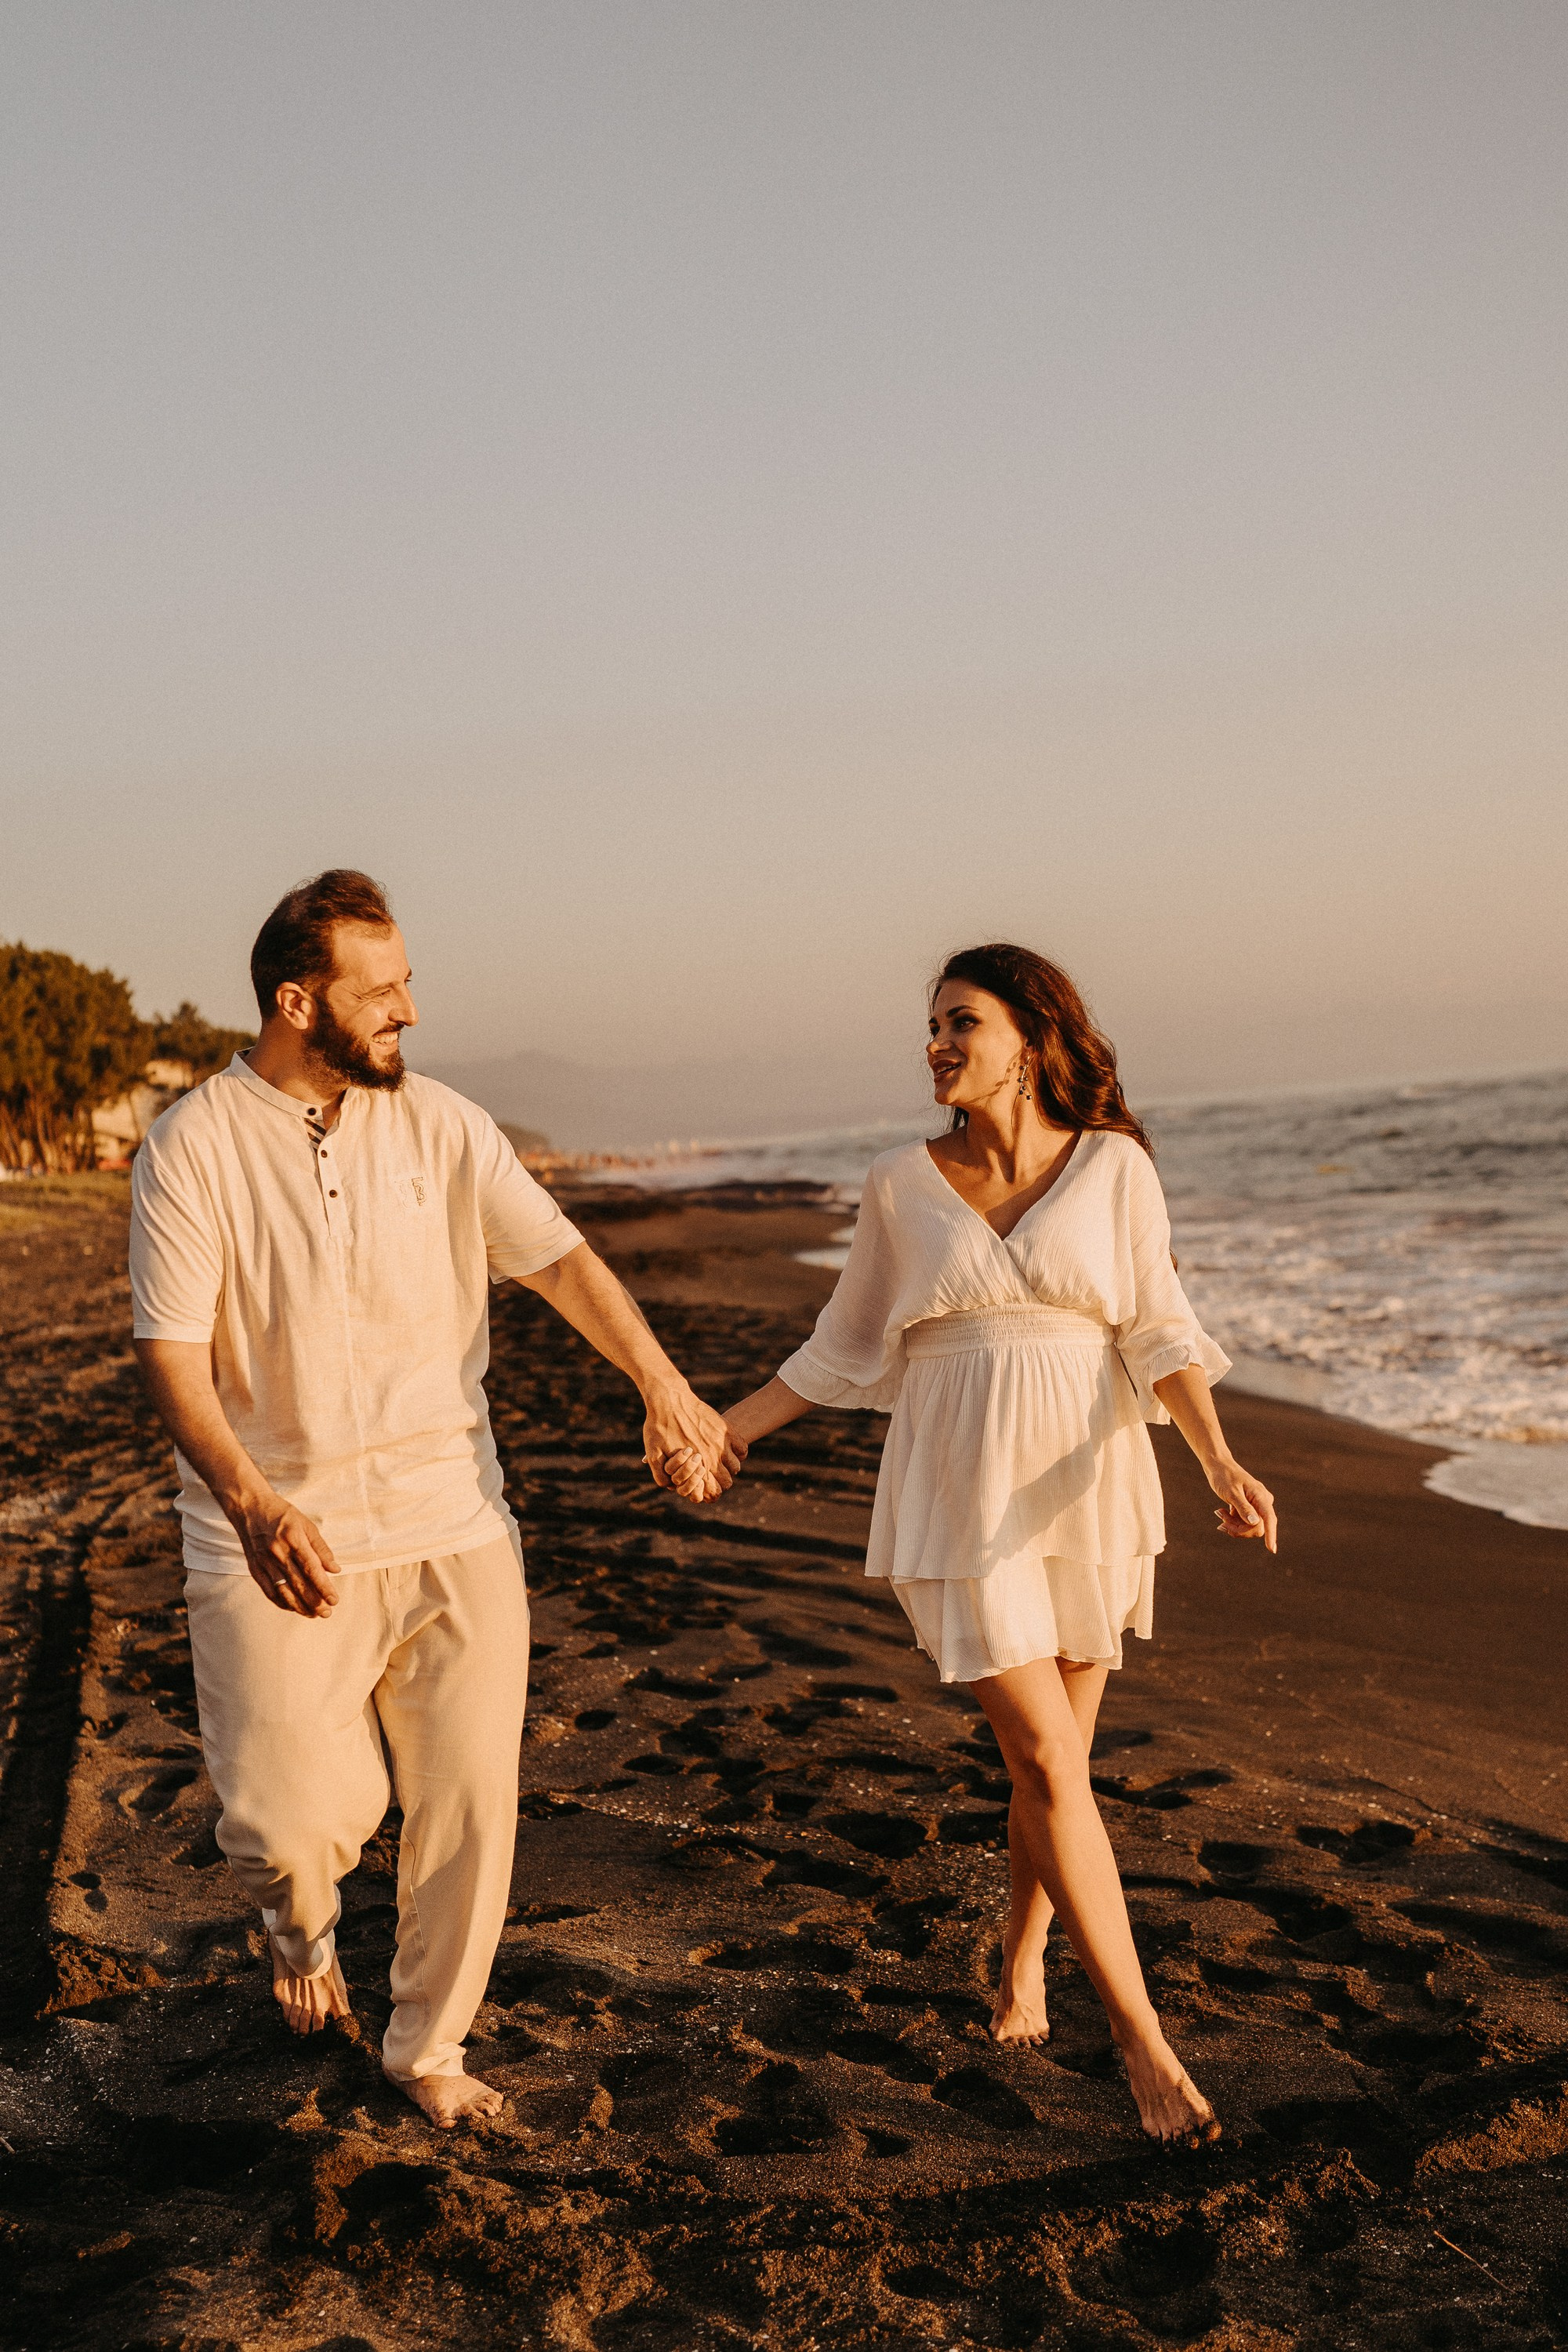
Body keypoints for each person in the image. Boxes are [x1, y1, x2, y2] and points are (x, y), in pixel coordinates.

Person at [130, 869, 736, 2129]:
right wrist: (249, 1504)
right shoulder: (194, 1146)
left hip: (456, 1520)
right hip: (273, 1539)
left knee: (468, 1807)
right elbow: (172, 1361)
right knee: (293, 1830)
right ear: (300, 1001)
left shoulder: (446, 1126)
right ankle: (300, 1940)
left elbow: (562, 1260)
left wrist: (662, 1387)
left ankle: (426, 2049)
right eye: (384, 987)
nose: (411, 1006)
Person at [678, 942, 1276, 2147]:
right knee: (1053, 1766)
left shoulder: (1113, 1168)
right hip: (961, 1491)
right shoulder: (901, 1182)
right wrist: (723, 1430)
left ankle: (1019, 1967)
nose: (939, 1044)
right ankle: (1144, 2047)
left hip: (1090, 1481)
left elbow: (1159, 1325)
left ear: (1032, 1039)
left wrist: (1217, 1456)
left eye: (964, 1023)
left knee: (1051, 1768)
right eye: (935, 1027)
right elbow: (844, 1345)